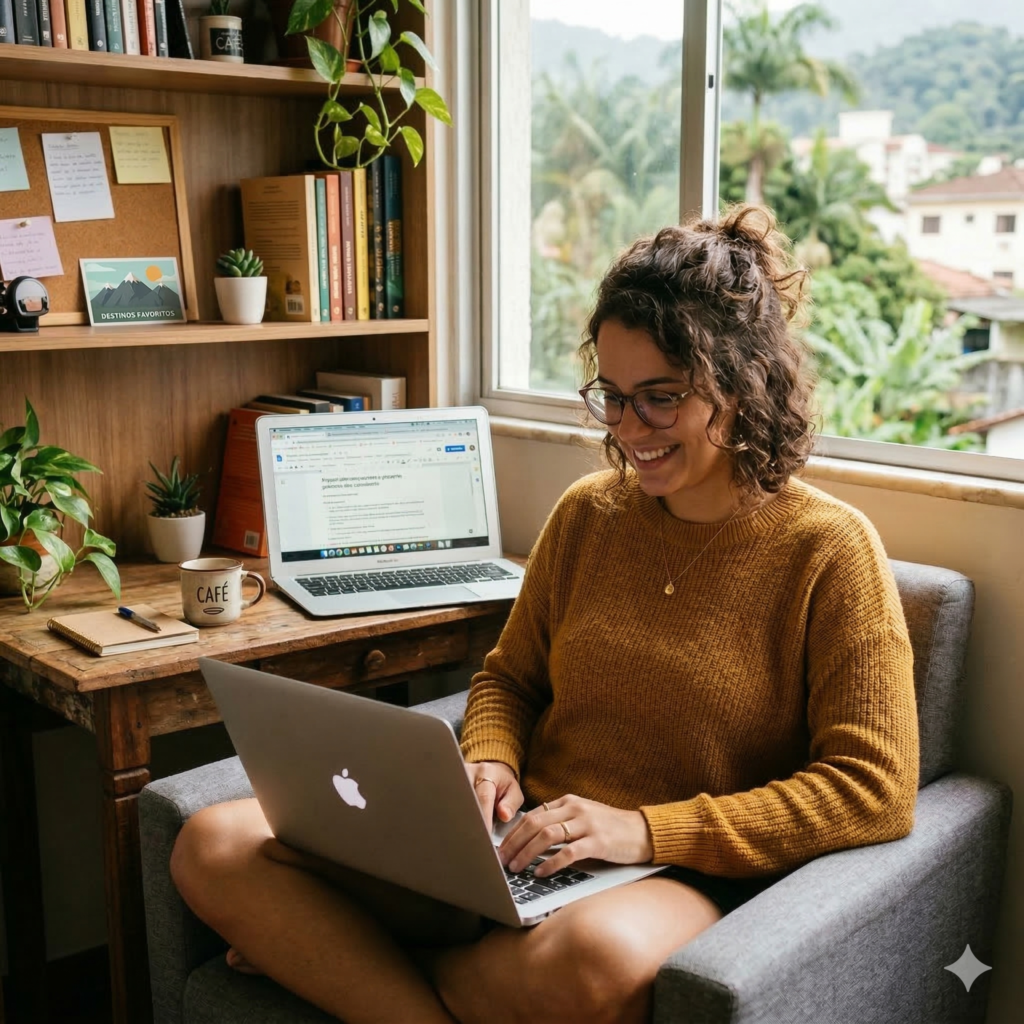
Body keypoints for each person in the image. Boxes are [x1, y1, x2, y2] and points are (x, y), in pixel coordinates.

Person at [170, 204, 920, 1024]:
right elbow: (509, 681)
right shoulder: (589, 514)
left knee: (595, 965)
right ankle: (436, 987)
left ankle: (355, 964)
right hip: (518, 845)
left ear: (742, 384)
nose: (629, 429)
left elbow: (873, 790)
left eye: (660, 398)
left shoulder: (831, 550)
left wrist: (644, 830)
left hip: (670, 874)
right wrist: (490, 763)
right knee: (212, 844)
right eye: (613, 396)